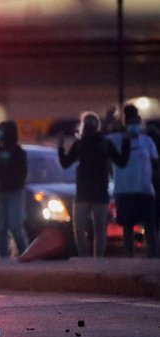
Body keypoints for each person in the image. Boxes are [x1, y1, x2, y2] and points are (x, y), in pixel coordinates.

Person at [58, 111, 130, 257]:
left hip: (96, 193)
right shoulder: (82, 144)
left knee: (96, 229)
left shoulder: (103, 143)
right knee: (87, 228)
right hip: (85, 193)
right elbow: (65, 163)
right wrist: (60, 148)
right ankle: (88, 258)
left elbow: (121, 162)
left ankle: (96, 259)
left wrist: (126, 142)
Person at [107, 104, 159, 257]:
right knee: (128, 227)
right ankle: (130, 257)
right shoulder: (115, 140)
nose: (134, 127)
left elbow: (155, 163)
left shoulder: (147, 141)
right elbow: (102, 142)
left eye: (137, 123)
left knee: (149, 225)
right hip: (124, 191)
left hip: (145, 190)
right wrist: (108, 122)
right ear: (125, 125)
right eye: (131, 124)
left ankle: (152, 255)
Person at [0, 120, 29, 258]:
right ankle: (2, 258)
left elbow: (21, 175)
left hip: (14, 193)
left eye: (0, 130)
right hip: (0, 194)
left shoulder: (19, 153)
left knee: (15, 227)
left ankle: (25, 255)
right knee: (0, 229)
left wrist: (6, 183)